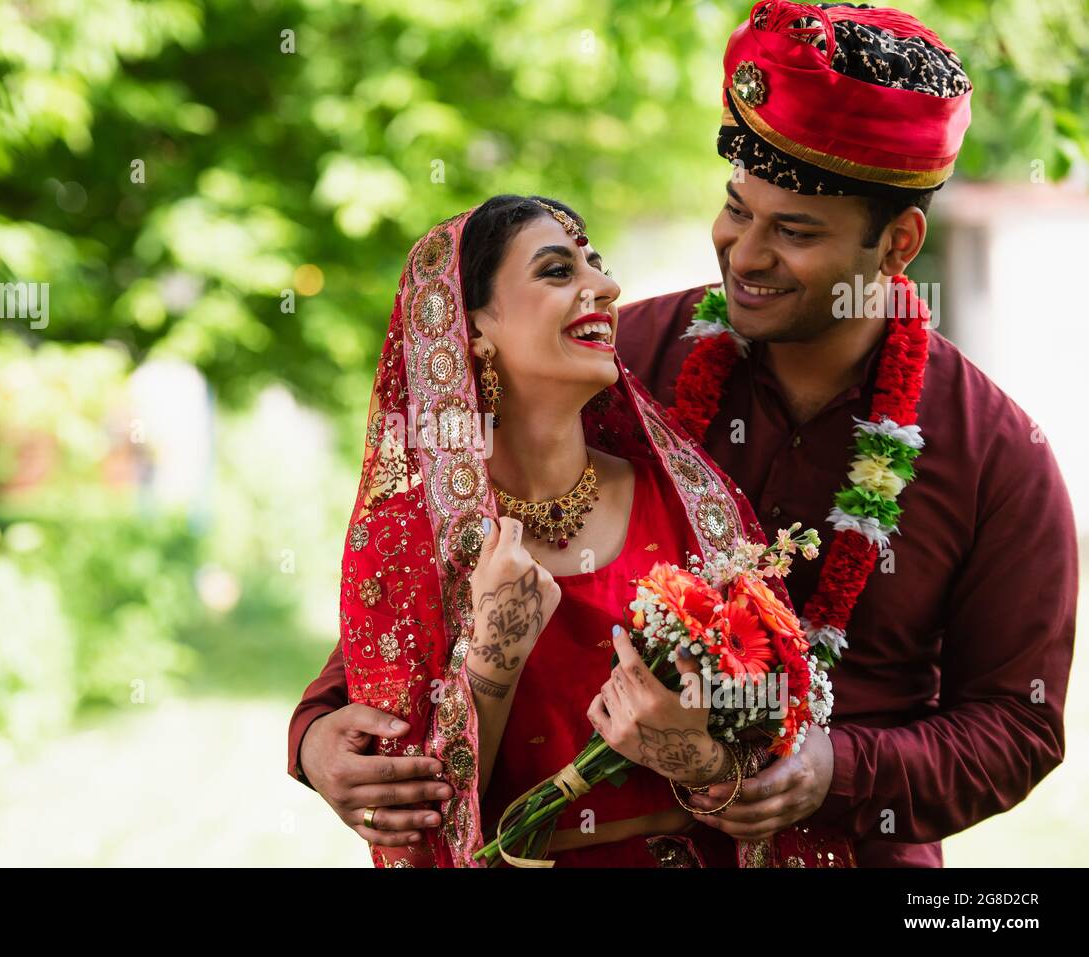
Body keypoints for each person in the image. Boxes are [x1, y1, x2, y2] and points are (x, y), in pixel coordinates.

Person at [291, 1, 1077, 867]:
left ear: (898, 243)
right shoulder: (619, 363)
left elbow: (1018, 727)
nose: (744, 252)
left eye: (795, 231)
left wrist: (831, 767)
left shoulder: (994, 451)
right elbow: (453, 566)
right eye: (737, 210)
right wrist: (319, 732)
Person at [312, 193, 853, 868]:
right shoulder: (410, 539)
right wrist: (493, 660)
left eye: (595, 264)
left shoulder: (683, 498)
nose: (605, 286)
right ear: (471, 324)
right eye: (557, 271)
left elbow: (770, 750)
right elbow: (420, 827)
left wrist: (697, 752)